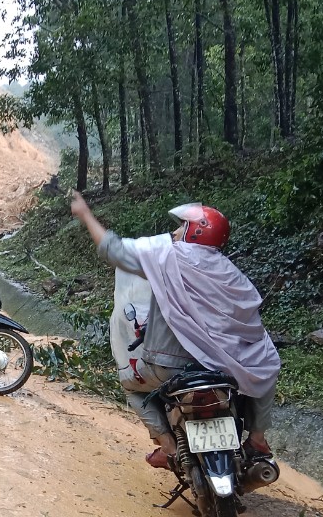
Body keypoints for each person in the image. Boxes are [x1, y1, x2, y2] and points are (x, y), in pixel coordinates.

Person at [69, 190, 280, 470]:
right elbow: (249, 326)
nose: (175, 231)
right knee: (266, 365)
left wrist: (85, 213)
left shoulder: (167, 257)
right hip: (225, 371)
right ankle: (257, 438)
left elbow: (114, 250)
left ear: (195, 231)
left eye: (182, 225)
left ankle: (169, 449)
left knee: (131, 387)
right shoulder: (231, 274)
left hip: (170, 368)